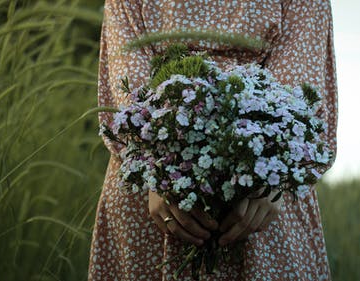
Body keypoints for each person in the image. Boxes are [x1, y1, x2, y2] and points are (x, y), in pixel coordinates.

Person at [88, 0, 338, 280]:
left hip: (262, 195)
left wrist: (272, 177)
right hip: (155, 190)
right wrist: (156, 172)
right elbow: (128, 76)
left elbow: (299, 81)